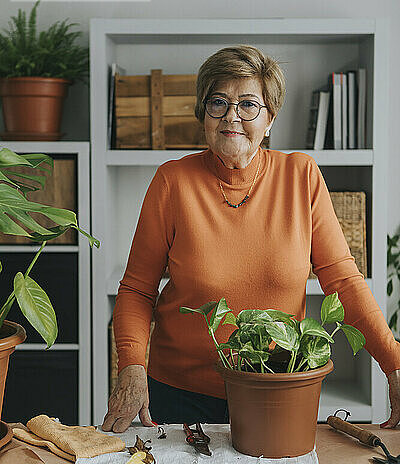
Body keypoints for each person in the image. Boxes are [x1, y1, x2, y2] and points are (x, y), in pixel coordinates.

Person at [102, 45, 400, 433]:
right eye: (218, 103)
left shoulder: (301, 177)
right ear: (203, 115)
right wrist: (131, 366)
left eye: (247, 105)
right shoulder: (172, 182)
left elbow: (343, 281)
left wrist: (393, 363)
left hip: (278, 389)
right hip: (180, 394)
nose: (231, 117)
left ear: (270, 118)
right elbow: (138, 290)